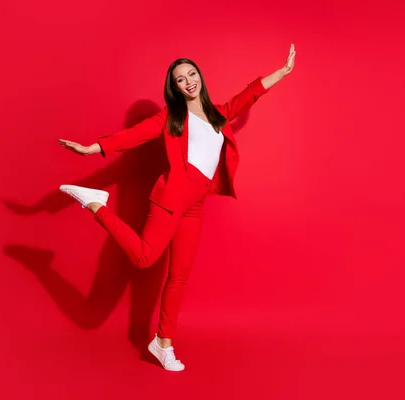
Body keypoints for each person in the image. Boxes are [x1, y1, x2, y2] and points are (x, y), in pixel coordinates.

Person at [57, 44, 296, 371]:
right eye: (180, 79)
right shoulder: (170, 119)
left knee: (179, 276)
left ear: (200, 76)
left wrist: (281, 73)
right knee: (144, 258)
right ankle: (96, 203)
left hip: (195, 205)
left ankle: (162, 343)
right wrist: (93, 148)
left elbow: (249, 94)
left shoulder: (218, 113)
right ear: (175, 88)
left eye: (192, 74)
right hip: (170, 199)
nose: (189, 81)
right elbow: (133, 135)